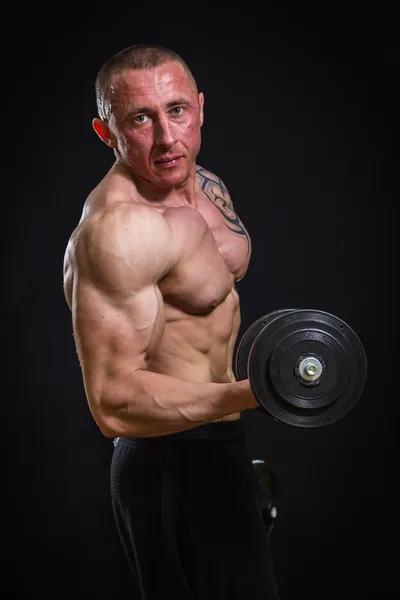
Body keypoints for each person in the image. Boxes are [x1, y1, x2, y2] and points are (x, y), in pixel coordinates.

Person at [63, 43, 279, 599]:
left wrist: (240, 413)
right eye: (140, 119)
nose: (166, 138)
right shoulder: (120, 230)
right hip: (165, 465)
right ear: (105, 132)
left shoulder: (204, 185)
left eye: (177, 110)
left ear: (200, 108)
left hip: (219, 448)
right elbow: (113, 402)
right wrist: (259, 393)